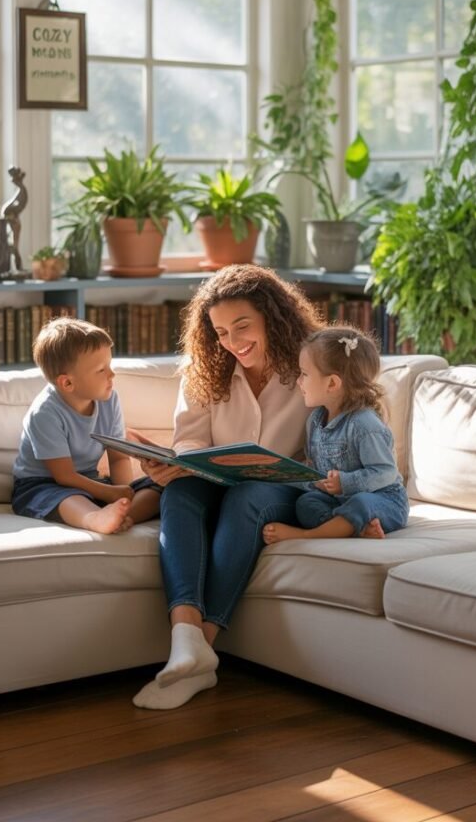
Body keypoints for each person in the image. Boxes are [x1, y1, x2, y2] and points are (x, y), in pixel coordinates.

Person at [130, 264, 324, 711]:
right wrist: (178, 463)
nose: (233, 343)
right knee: (177, 493)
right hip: (217, 479)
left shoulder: (313, 363)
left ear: (273, 317)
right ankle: (185, 638)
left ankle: (202, 651)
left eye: (242, 327)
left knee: (248, 495)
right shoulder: (207, 369)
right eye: (220, 332)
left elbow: (332, 441)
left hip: (287, 489)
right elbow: (192, 437)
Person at [11, 317, 161, 534]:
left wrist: (123, 493)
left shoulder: (109, 400)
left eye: (110, 365)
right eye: (101, 370)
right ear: (67, 383)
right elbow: (64, 477)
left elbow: (118, 457)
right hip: (44, 485)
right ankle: (93, 518)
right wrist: (110, 494)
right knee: (69, 498)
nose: (112, 374)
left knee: (160, 487)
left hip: (91, 482)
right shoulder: (44, 413)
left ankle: (123, 516)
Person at [263, 325, 409, 544]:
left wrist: (346, 482)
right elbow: (315, 470)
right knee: (307, 503)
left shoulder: (365, 424)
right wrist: (281, 476)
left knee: (360, 503)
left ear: (332, 383)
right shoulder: (315, 420)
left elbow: (385, 473)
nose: (299, 382)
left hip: (384, 501)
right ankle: (354, 530)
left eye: (304, 374)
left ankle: (306, 535)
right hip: (339, 501)